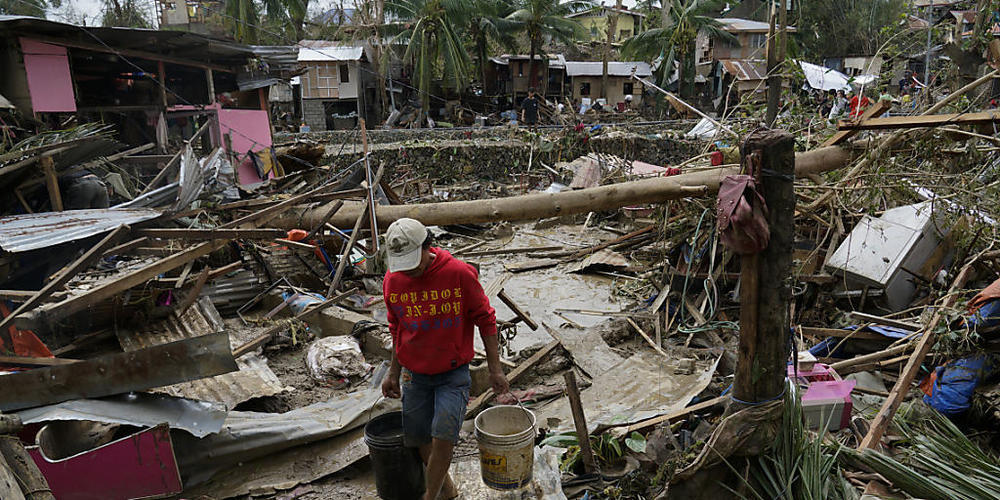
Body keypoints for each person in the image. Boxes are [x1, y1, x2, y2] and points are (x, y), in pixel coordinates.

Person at [381, 218, 509, 500]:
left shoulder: (459, 274)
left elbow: (486, 320)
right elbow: (396, 327)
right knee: (420, 438)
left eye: (414, 261)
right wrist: (392, 372)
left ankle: (430, 496)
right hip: (413, 373)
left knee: (444, 435)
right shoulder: (393, 280)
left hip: (452, 372)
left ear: (428, 247)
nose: (410, 270)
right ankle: (447, 489)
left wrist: (495, 369)